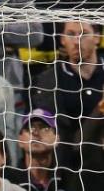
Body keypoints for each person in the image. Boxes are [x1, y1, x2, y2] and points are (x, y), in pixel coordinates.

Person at [31, 20, 104, 148]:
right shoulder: (46, 82)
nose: (76, 41)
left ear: (97, 37)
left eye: (83, 34)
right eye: (70, 34)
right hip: (68, 159)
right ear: (62, 40)